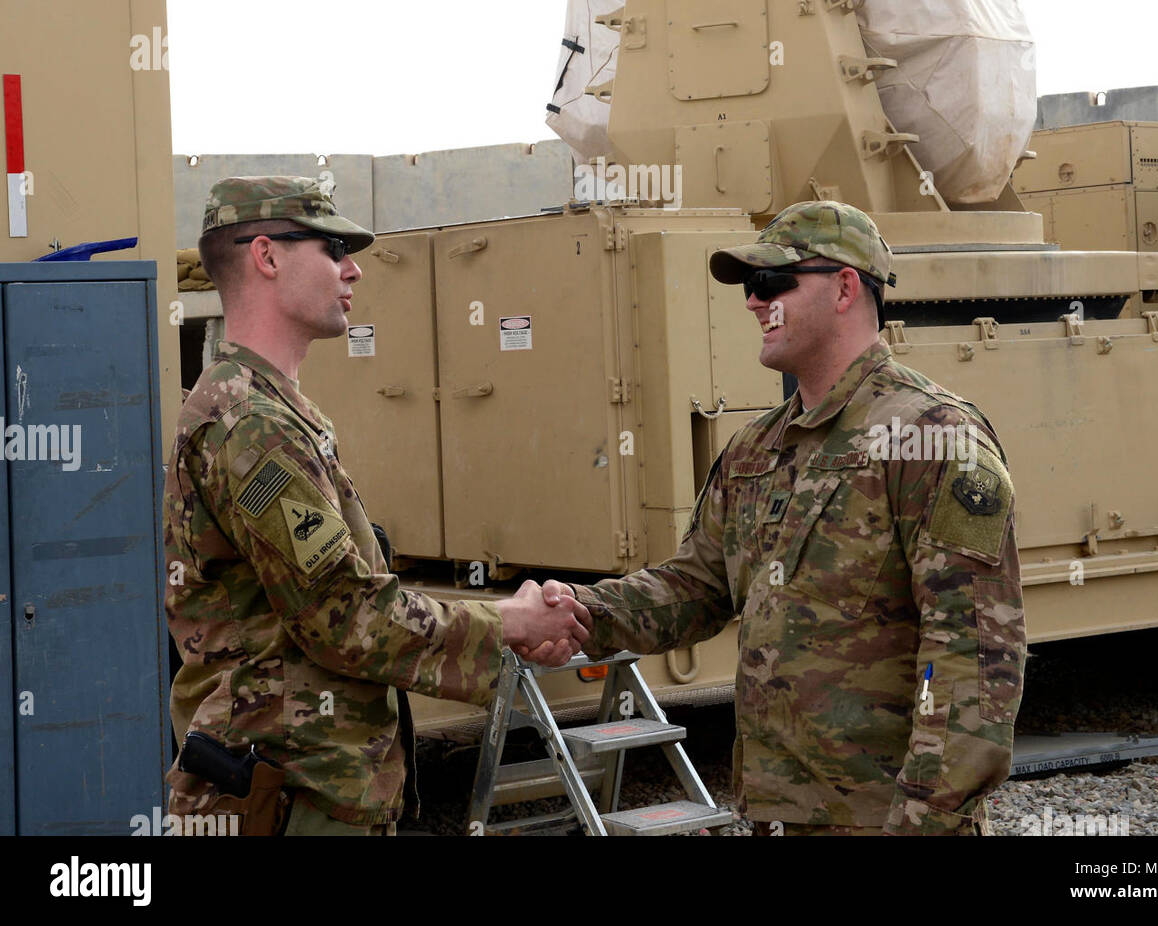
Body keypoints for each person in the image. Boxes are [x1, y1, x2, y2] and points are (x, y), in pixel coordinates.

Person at [529, 201, 1025, 835]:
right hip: (774, 816)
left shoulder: (932, 438)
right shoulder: (757, 449)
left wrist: (928, 819)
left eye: (770, 284)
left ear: (846, 287)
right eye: (747, 287)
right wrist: (580, 610)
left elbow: (972, 655)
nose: (752, 302)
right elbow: (696, 588)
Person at [164, 175, 589, 835]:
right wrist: (508, 621)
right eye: (333, 247)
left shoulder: (269, 406)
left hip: (308, 787)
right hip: (286, 795)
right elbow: (346, 615)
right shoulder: (248, 420)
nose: (354, 268)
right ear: (267, 256)